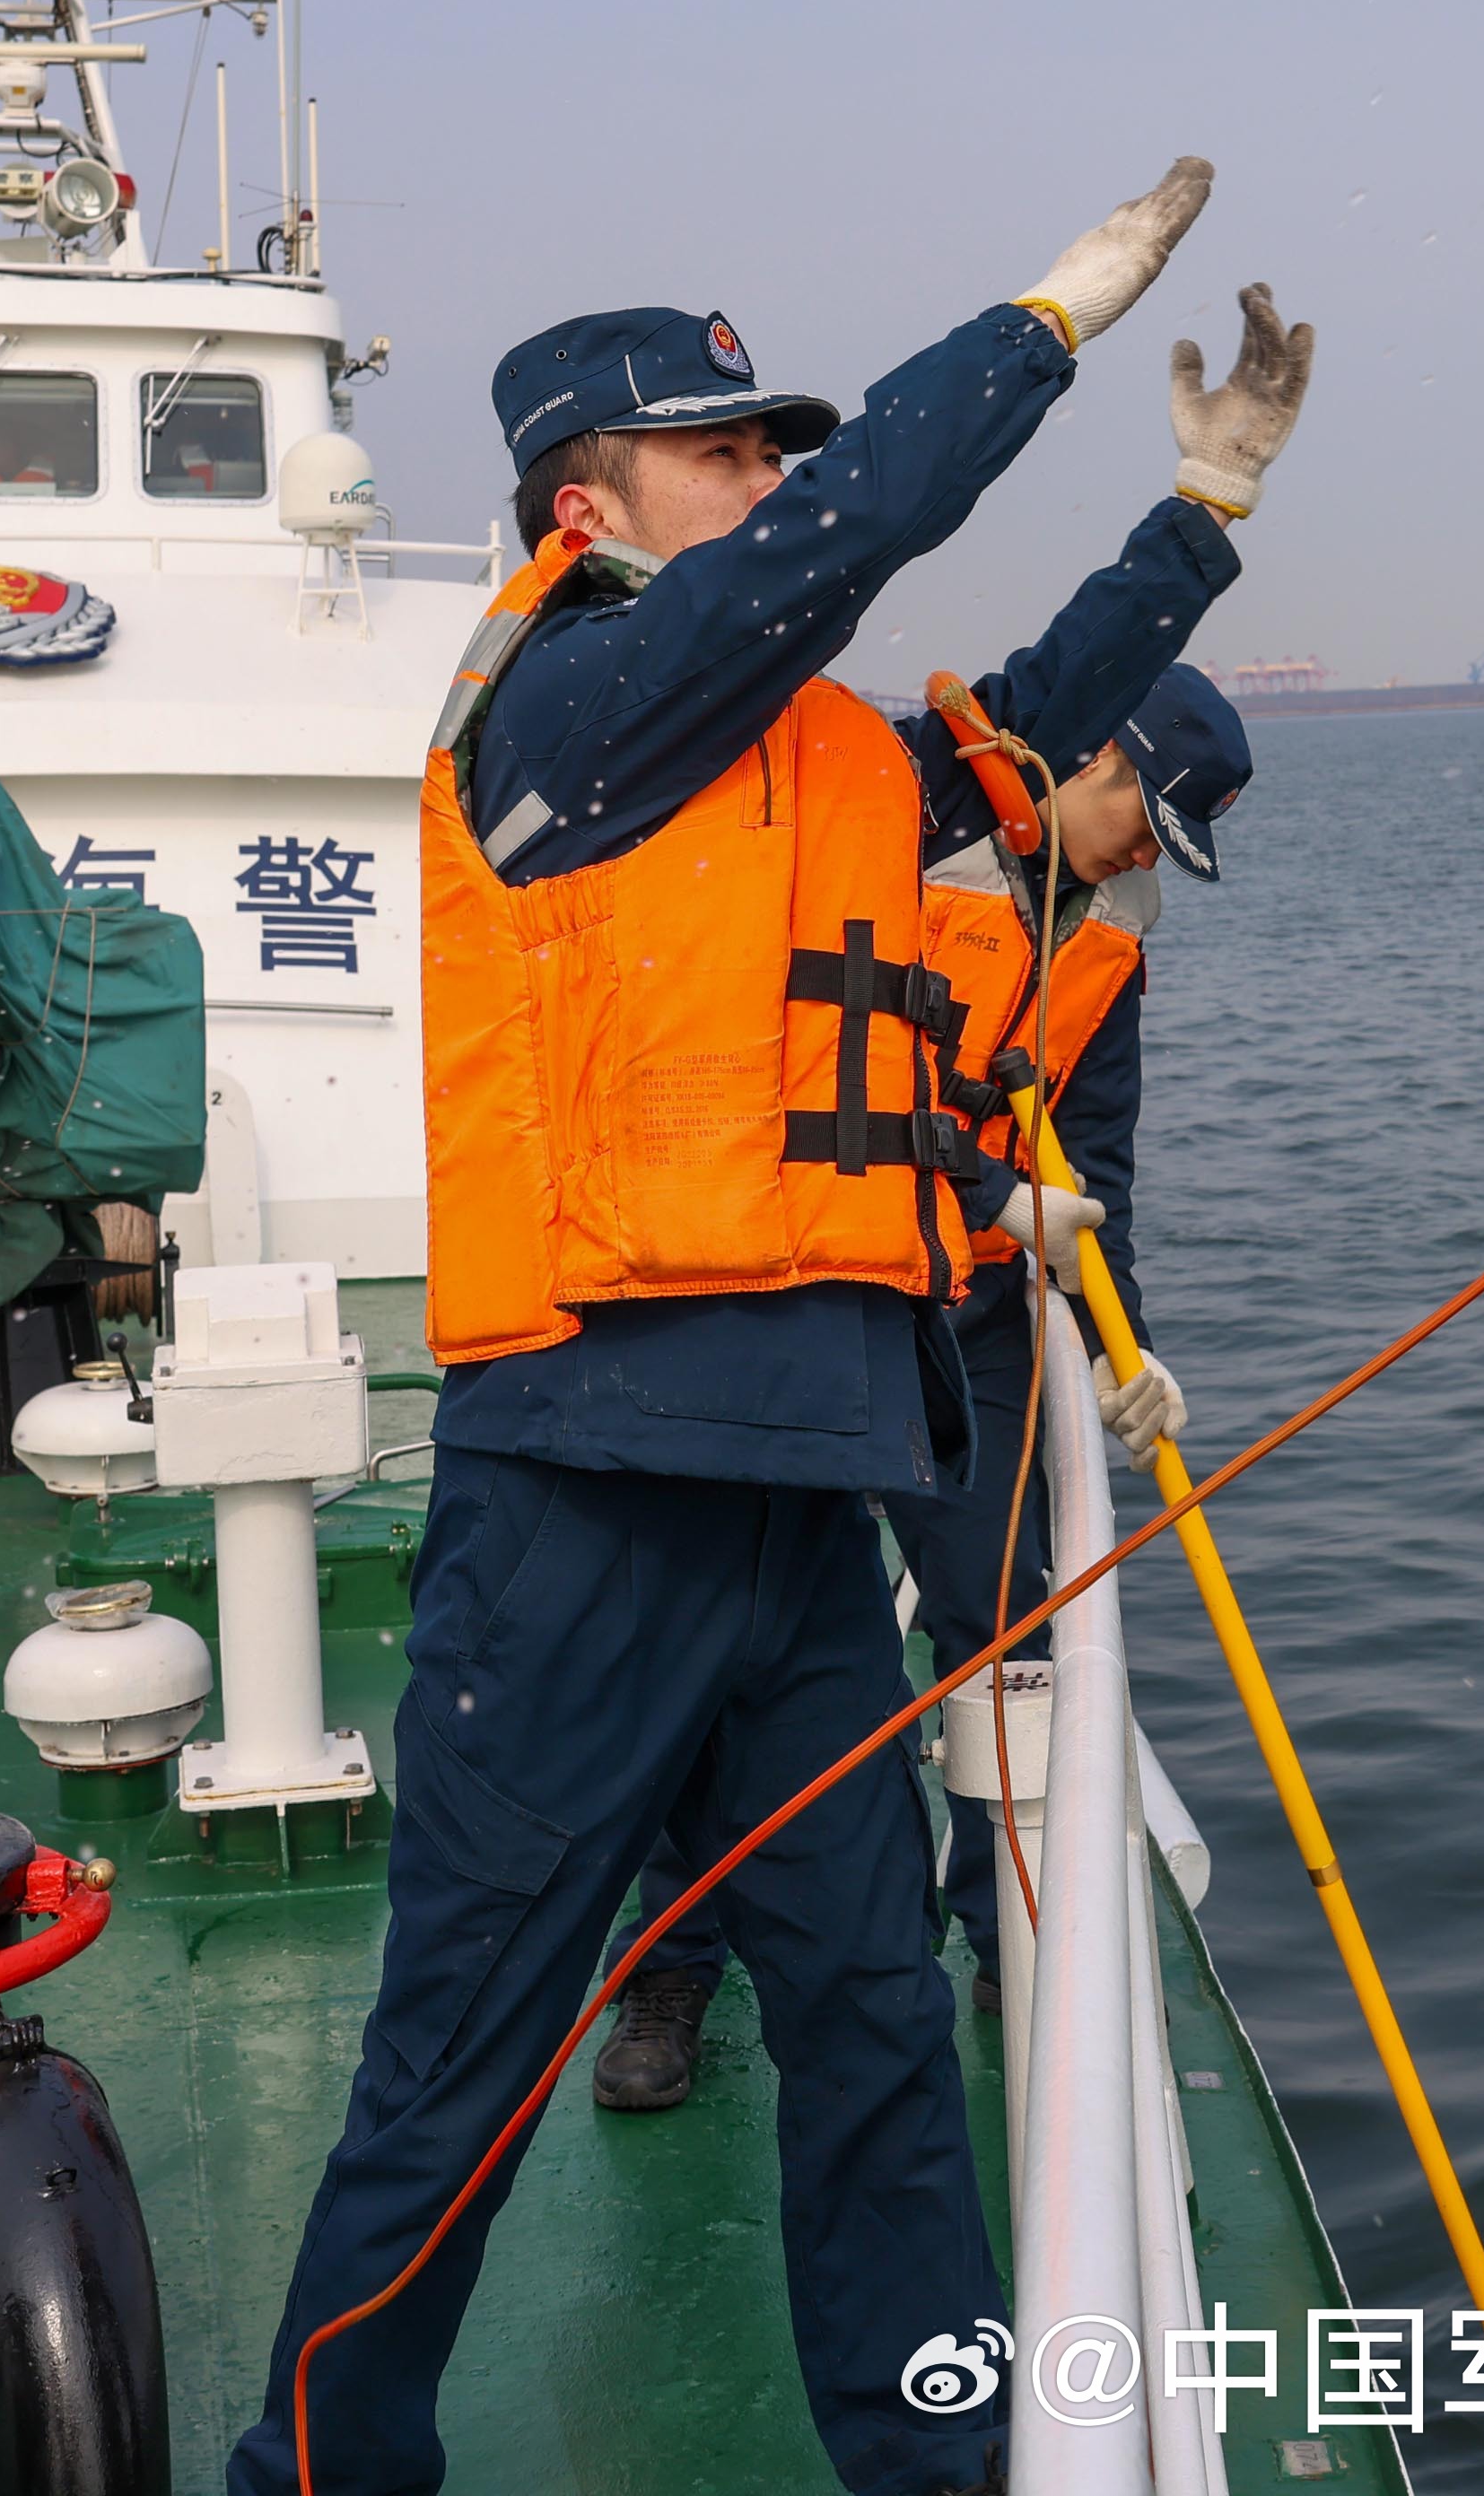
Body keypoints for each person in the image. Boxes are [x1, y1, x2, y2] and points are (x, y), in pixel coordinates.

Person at [231, 160, 1316, 2496]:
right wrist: (1044, 320)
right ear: (586, 503)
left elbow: (1030, 728)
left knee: (877, 2016)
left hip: (809, 1502)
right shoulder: (566, 707)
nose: (766, 479)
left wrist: (1199, 519)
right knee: (458, 2068)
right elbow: (852, 536)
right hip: (587, 1489)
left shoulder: (793, 755)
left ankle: (943, 2466)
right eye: (721, 450)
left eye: (768, 448)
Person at [591, 660, 1259, 2109]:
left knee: (1002, 1629)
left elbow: (1100, 1171)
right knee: (724, 1635)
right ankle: (671, 1963)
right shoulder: (898, 836)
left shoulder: (1110, 942)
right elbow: (806, 1067)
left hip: (975, 1320)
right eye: (1144, 826)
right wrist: (986, 1191)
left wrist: (1123, 1347)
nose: (1140, 862)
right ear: (1096, 761)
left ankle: (1006, 1938)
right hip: (815, 1287)